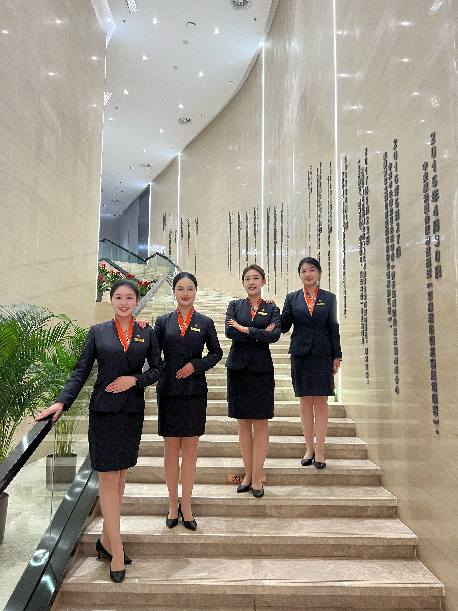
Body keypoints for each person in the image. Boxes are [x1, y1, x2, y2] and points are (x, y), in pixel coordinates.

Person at [35, 279, 162, 583]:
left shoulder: (147, 332)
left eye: (129, 297)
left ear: (137, 301)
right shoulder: (98, 332)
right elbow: (80, 371)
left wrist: (135, 380)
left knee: (121, 477)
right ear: (111, 300)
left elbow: (158, 369)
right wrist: (61, 402)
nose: (123, 302)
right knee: (107, 477)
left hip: (131, 413)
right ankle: (116, 550)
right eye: (118, 297)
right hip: (104, 413)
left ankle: (105, 540)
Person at [154, 272, 222, 530]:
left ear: (196, 291)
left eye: (190, 288)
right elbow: (152, 352)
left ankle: (188, 505)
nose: (185, 293)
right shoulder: (163, 322)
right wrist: (141, 327)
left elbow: (216, 352)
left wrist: (196, 365)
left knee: (190, 451)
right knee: (171, 450)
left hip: (194, 392)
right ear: (173, 292)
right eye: (180, 288)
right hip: (169, 391)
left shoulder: (205, 322)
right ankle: (173, 505)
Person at [225, 264, 281, 498]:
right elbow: (230, 332)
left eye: (256, 278)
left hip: (261, 370)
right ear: (242, 283)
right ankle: (248, 475)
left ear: (263, 282)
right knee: (243, 424)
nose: (251, 282)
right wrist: (259, 332)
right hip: (238, 369)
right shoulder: (234, 306)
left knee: (261, 423)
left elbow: (274, 335)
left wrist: (245, 329)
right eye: (247, 278)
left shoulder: (272, 308)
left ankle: (256, 478)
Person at [281, 257, 342, 469]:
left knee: (321, 402)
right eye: (304, 271)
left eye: (312, 270)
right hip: (300, 354)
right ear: (300, 274)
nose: (308, 274)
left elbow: (333, 327)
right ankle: (309, 449)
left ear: (319, 273)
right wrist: (271, 310)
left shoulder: (329, 298)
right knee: (305, 402)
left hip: (323, 354)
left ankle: (321, 451)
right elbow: (284, 325)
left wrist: (337, 355)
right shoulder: (292, 298)